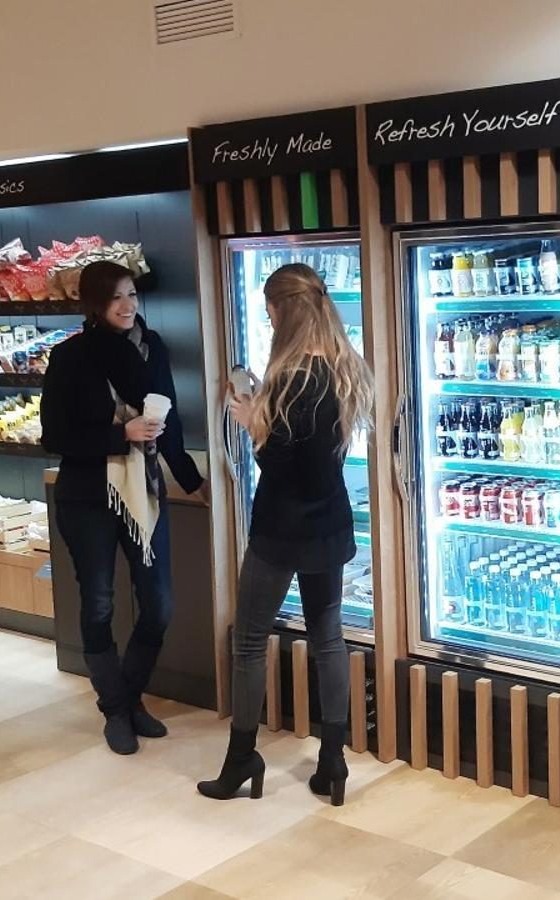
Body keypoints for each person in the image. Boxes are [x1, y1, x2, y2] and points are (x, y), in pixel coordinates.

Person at [198, 262, 373, 806]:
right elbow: (322, 462)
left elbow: (284, 466)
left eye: (271, 311)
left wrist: (254, 422)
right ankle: (333, 762)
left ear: (285, 310)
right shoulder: (344, 366)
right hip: (330, 524)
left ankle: (240, 760)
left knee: (249, 640)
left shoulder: (295, 377)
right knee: (328, 638)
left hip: (282, 528)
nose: (269, 321)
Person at [41, 260, 204, 755]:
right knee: (100, 602)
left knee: (159, 604)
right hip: (88, 494)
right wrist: (120, 434)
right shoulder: (70, 357)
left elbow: (168, 422)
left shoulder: (152, 349)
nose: (128, 305)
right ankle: (116, 708)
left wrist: (193, 482)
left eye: (132, 294)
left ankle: (127, 697)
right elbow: (55, 436)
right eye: (116, 298)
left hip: (144, 491)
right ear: (95, 305)